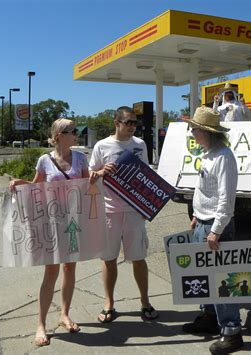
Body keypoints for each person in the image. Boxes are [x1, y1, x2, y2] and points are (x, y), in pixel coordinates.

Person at [9, 119, 88, 346]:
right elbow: (36, 187)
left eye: (76, 130)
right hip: (52, 221)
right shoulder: (45, 160)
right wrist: (19, 183)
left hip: (73, 220)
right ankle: (41, 324)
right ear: (60, 134)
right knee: (51, 270)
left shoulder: (81, 158)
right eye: (72, 131)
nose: (76, 134)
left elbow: (87, 187)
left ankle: (64, 314)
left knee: (70, 267)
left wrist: (98, 175)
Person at [89, 106, 159, 324]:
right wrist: (101, 172)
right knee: (109, 259)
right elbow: (90, 176)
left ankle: (145, 302)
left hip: (134, 212)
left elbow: (146, 176)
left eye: (134, 123)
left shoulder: (140, 144)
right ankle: (109, 302)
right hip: (109, 211)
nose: (131, 127)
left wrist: (146, 207)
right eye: (128, 122)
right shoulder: (102, 145)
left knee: (138, 258)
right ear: (116, 123)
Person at [182, 106, 243, 354]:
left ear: (206, 132)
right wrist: (197, 215)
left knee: (223, 282)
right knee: (204, 277)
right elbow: (206, 192)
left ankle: (232, 333)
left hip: (217, 229)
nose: (192, 133)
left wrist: (216, 230)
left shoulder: (224, 157)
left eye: (194, 129)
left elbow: (226, 200)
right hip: (203, 223)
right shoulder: (208, 154)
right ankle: (209, 318)